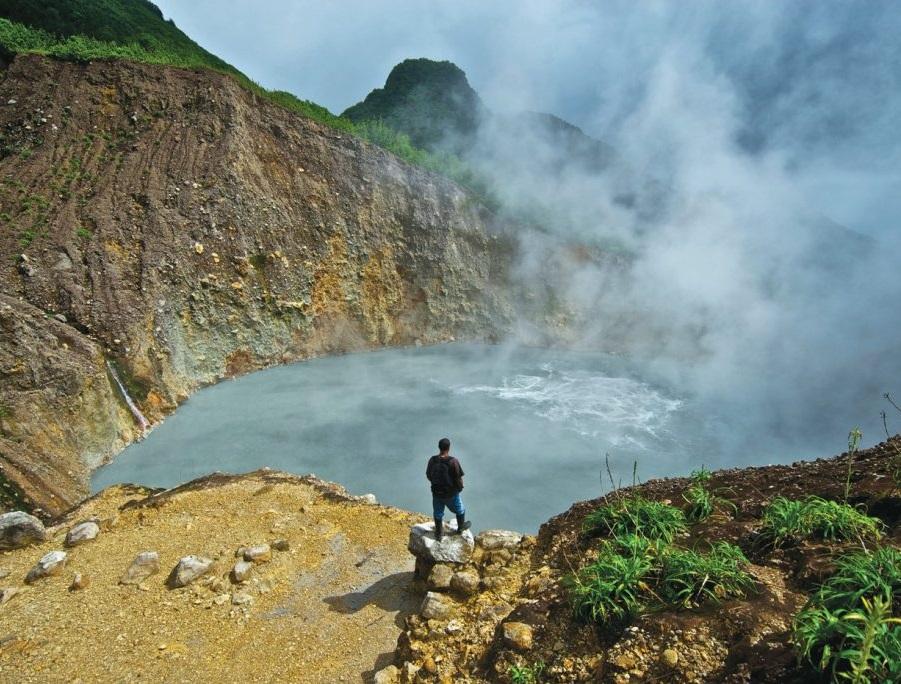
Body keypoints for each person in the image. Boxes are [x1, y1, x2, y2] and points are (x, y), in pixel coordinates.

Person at [425, 437, 471, 540]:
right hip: (451, 494)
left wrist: (436, 484)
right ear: (449, 448)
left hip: (436, 493)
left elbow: (428, 475)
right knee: (460, 510)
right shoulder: (453, 461)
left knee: (438, 512)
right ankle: (460, 528)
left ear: (439, 447)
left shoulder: (432, 460)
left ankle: (439, 533)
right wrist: (460, 488)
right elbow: (458, 478)